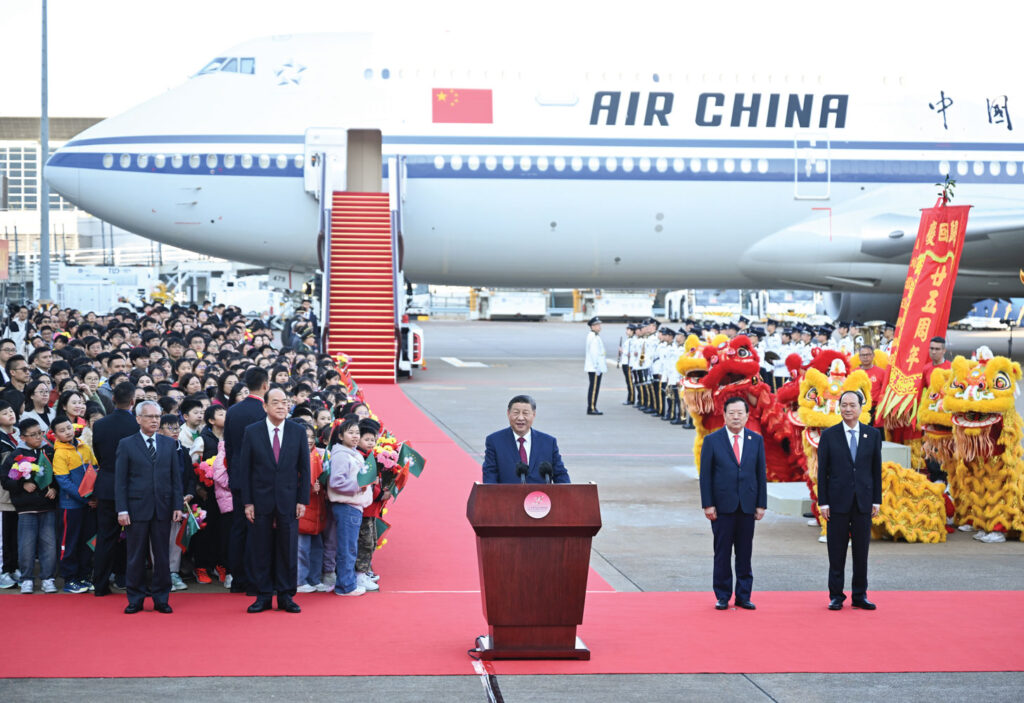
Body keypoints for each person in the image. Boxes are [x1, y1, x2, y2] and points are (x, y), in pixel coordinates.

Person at [237, 387, 310, 613]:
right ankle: (264, 595)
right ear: (265, 406)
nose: (281, 406)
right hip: (260, 500)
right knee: (261, 548)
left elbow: (304, 469)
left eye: (285, 402)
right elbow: (245, 469)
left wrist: (302, 500)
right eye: (275, 402)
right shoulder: (252, 431)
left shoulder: (297, 431)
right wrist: (248, 502)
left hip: (289, 499)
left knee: (288, 548)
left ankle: (286, 595)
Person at [698, 396, 767, 610]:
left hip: (747, 506)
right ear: (724, 415)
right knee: (722, 552)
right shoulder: (712, 441)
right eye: (732, 413)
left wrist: (760, 504)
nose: (736, 417)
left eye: (740, 413)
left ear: (747, 416)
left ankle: (744, 595)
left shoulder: (756, 440)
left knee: (745, 553)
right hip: (722, 507)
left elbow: (760, 474)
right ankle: (722, 595)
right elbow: (706, 476)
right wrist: (708, 504)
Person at [115, 400, 184, 614]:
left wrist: (177, 505)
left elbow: (175, 478)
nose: (155, 420)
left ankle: (161, 597)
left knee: (162, 555)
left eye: (157, 416)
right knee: (135, 555)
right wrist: (122, 509)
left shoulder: (168, 443)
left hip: (163, 507)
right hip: (136, 509)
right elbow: (120, 480)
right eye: (150, 416)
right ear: (138, 419)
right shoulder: (126, 444)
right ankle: (135, 598)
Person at [817, 390, 882, 611]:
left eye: (852, 405)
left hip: (863, 501)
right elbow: (822, 471)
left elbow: (875, 469)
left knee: (861, 552)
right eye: (844, 405)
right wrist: (823, 502)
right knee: (836, 551)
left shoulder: (872, 435)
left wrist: (877, 500)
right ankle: (836, 595)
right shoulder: (829, 435)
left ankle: (860, 594)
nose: (847, 409)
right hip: (836, 502)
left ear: (860, 408)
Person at [223, 366, 268, 594]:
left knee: (239, 527)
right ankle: (254, 580)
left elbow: (229, 448)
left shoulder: (233, 410)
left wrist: (233, 474)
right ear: (265, 385)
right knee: (257, 528)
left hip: (239, 476)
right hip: (261, 479)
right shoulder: (266, 411)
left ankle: (237, 578)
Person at [0, 418, 58, 593]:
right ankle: (26, 579)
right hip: (25, 508)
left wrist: (54, 489)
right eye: (33, 435)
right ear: (23, 437)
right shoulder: (16, 455)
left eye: (40, 433)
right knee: (26, 545)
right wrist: (22, 485)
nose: (38, 437)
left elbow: (59, 474)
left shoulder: (49, 451)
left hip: (47, 506)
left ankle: (48, 578)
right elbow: (6, 480)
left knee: (49, 545)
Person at [90, 382, 137, 596]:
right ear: (133, 401)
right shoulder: (137, 425)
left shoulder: (99, 425)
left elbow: (99, 456)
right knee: (136, 537)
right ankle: (132, 582)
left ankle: (99, 584)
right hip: (133, 487)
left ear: (113, 401)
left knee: (106, 536)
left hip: (107, 485)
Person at [326, 419, 372, 597]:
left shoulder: (353, 453)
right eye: (350, 433)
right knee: (347, 547)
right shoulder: (341, 455)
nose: (355, 436)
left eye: (357, 433)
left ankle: (346, 582)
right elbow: (336, 482)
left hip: (354, 506)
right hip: (347, 506)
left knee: (349, 546)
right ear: (340, 436)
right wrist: (359, 486)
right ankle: (345, 586)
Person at [481, 395, 570, 484]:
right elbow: (490, 476)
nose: (520, 418)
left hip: (540, 497)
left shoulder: (549, 442)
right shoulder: (495, 441)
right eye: (516, 412)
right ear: (508, 413)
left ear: (534, 414)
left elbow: (561, 475)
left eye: (525, 413)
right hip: (508, 497)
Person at [584, 317, 606, 415]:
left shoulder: (595, 336)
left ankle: (593, 406)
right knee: (594, 389)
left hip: (595, 367)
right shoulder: (593, 337)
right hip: (594, 367)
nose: (599, 327)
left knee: (594, 388)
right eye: (597, 325)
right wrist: (597, 367)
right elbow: (594, 353)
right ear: (592, 326)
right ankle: (591, 408)